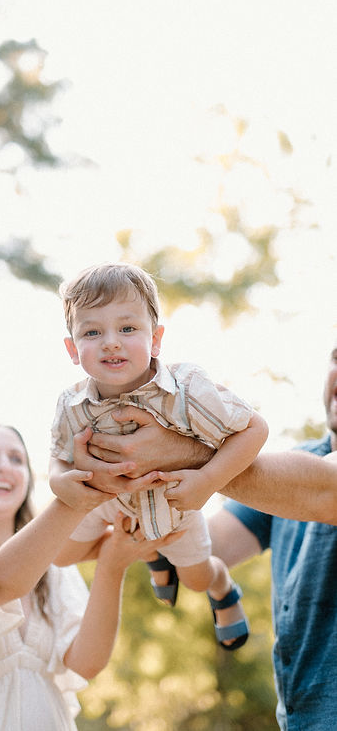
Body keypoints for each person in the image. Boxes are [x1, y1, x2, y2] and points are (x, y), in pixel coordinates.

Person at [0, 422, 178, 730]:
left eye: (16, 459)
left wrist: (112, 566)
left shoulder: (54, 568)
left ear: (27, 481)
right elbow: (2, 583)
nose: (3, 466)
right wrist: (85, 491)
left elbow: (86, 662)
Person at [49, 263, 268, 650]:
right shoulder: (72, 404)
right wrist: (58, 478)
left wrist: (207, 481)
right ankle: (150, 552)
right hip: (111, 503)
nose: (111, 342)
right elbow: (59, 454)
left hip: (175, 507)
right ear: (72, 348)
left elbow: (255, 429)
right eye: (92, 331)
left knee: (197, 578)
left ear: (155, 339)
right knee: (61, 553)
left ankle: (222, 585)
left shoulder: (186, 390)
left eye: (128, 328)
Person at [206, 336, 337, 728]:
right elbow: (209, 546)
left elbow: (322, 490)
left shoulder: (302, 480)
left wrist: (187, 450)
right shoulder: (293, 467)